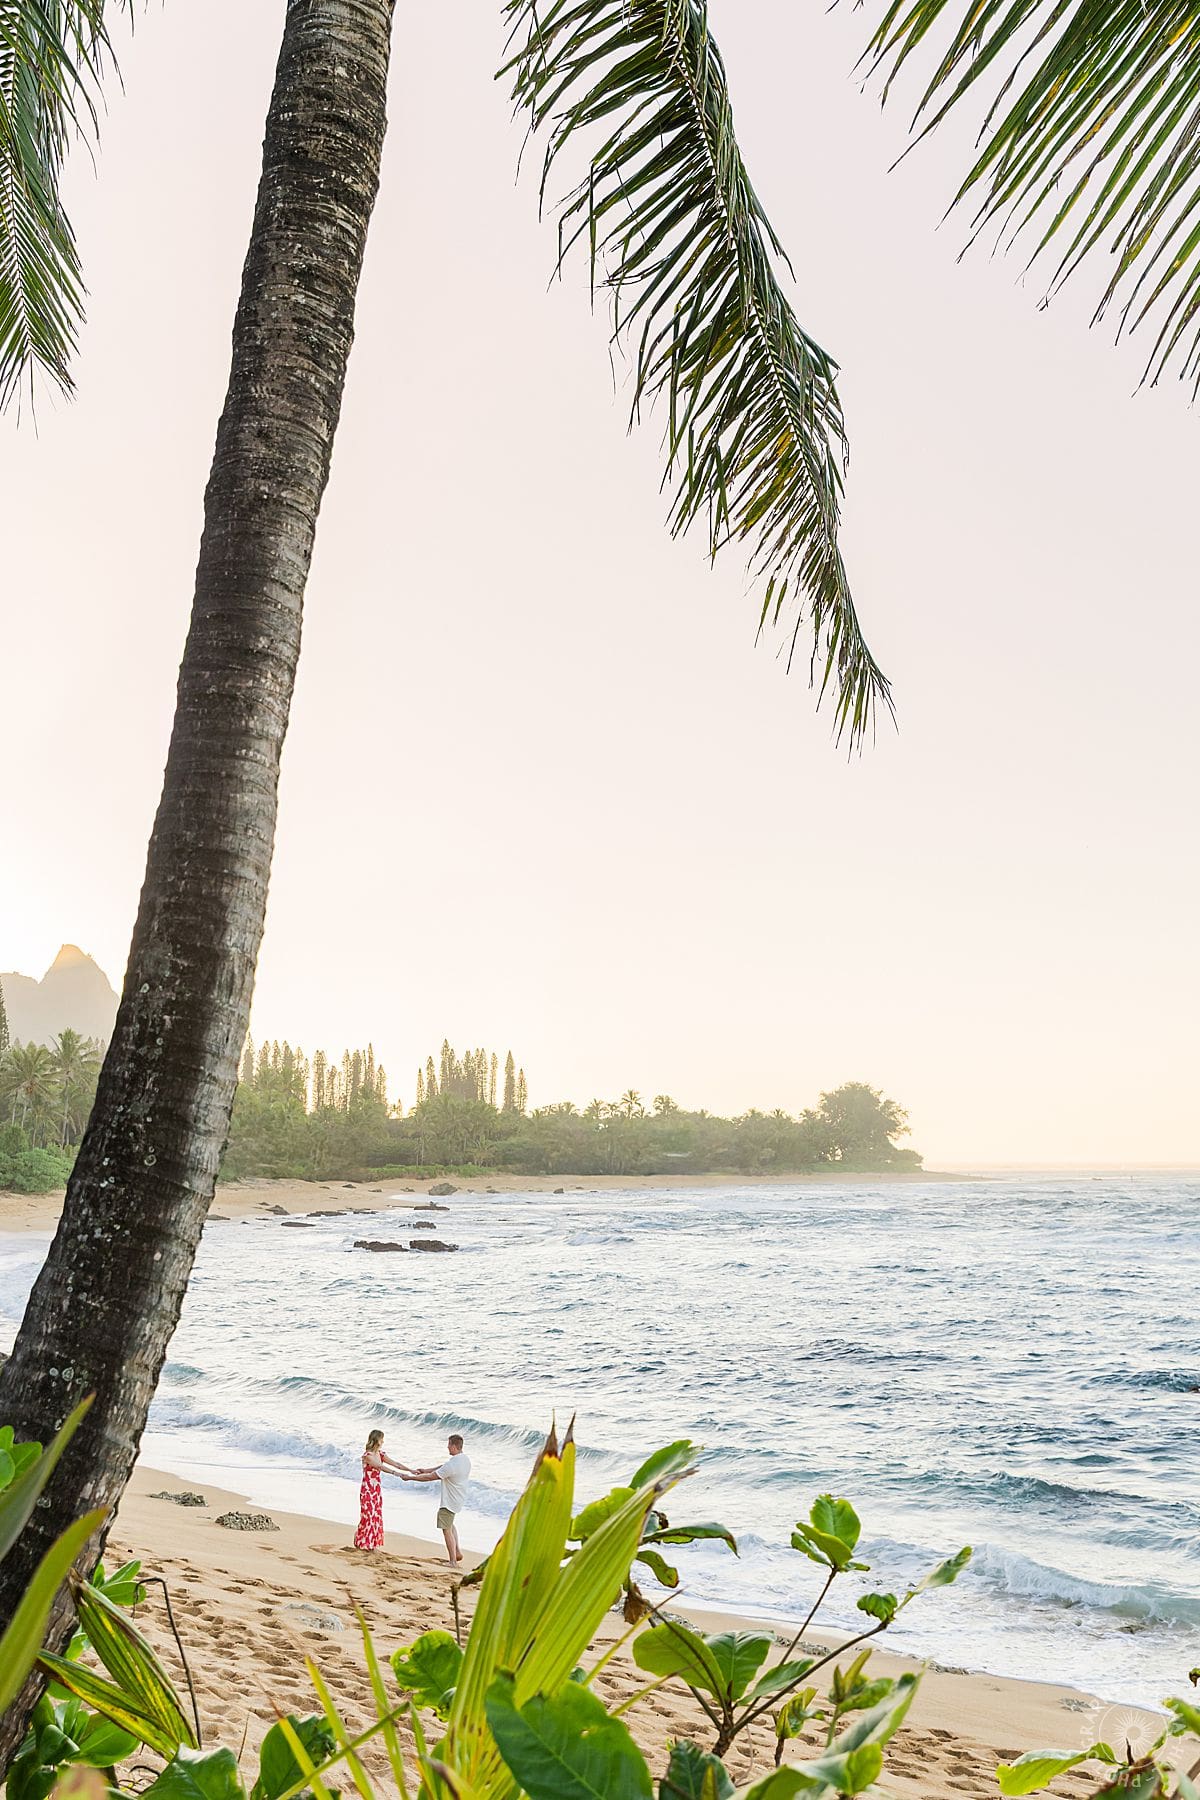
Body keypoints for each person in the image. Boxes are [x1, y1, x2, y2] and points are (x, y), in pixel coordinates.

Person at [404, 1432, 471, 1565]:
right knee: (450, 1525)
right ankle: (457, 1552)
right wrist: (426, 1470)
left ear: (454, 1446)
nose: (447, 1447)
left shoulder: (453, 1464)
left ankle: (453, 1561)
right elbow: (442, 1467)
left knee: (446, 1529)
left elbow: (431, 1477)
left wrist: (411, 1478)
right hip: (458, 1498)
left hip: (450, 1500)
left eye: (449, 1445)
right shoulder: (463, 1459)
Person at [353, 1429, 411, 1550]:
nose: (383, 1441)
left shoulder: (381, 1454)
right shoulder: (367, 1456)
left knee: (376, 1515)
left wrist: (411, 1470)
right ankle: (361, 1540)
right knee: (368, 1515)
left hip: (376, 1489)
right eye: (381, 1439)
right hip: (367, 1489)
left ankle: (371, 1544)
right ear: (377, 1440)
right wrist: (396, 1474)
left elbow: (396, 1464)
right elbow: (380, 1466)